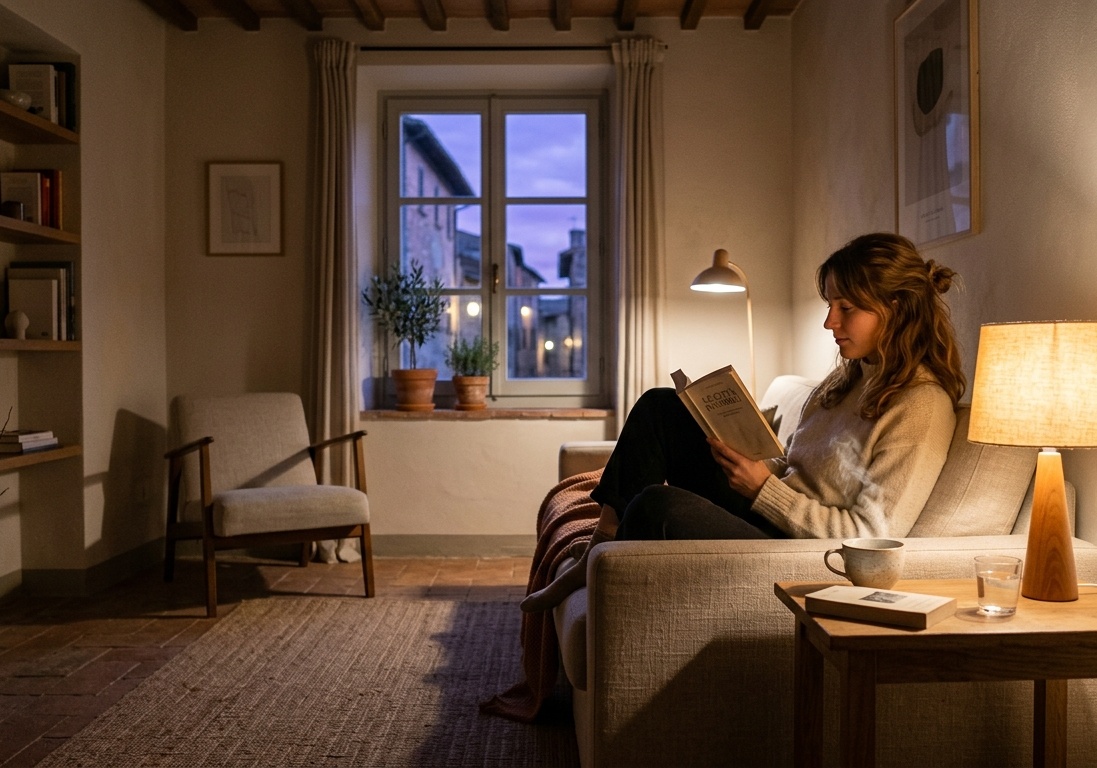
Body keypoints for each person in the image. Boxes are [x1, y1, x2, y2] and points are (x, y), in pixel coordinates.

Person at [520, 232, 965, 613]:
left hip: (800, 550)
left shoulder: (920, 406)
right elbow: (797, 470)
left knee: (657, 506)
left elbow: (871, 535)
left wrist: (761, 489)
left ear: (896, 307)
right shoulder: (848, 379)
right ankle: (598, 548)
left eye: (846, 308)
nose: (831, 321)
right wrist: (748, 457)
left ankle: (605, 570)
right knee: (662, 407)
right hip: (773, 514)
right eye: (831, 305)